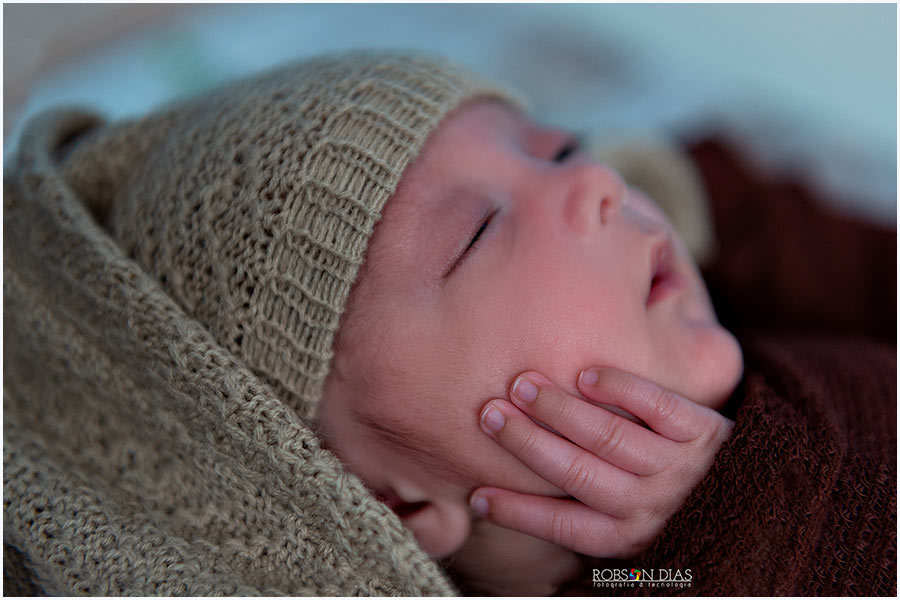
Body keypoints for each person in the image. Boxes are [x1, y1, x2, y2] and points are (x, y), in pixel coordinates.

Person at [4, 51, 894, 596]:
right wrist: (741, 511)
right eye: (477, 232)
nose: (598, 182)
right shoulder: (647, 579)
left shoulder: (743, 268)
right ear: (387, 507)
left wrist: (725, 210)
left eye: (558, 147)